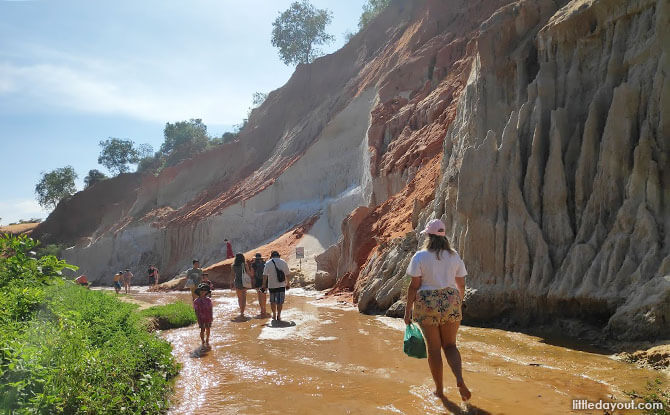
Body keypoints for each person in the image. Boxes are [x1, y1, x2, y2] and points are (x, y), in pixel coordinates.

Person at [404, 218, 471, 402]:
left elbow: (414, 286)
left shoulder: (420, 256)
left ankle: (439, 391)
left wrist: (407, 311)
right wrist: (457, 302)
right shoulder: (454, 256)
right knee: (450, 346)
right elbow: (461, 284)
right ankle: (459, 379)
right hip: (451, 300)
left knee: (434, 349)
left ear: (428, 236)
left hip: (427, 303)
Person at [262, 251, 290, 321]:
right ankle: (279, 315)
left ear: (271, 256)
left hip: (272, 285)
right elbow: (287, 274)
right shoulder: (283, 262)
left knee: (272, 301)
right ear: (279, 255)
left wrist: (263, 285)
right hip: (281, 285)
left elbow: (265, 275)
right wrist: (288, 283)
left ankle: (274, 314)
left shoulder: (268, 263)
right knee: (280, 302)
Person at [231, 253, 252, 318]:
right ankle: (243, 311)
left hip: (237, 282)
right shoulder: (245, 264)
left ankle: (241, 311)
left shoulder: (233, 265)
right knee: (244, 297)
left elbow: (232, 275)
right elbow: (248, 273)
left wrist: (232, 284)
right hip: (244, 282)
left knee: (239, 298)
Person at [193, 283, 213, 347]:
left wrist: (211, 316)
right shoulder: (196, 301)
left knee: (208, 328)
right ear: (199, 291)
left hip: (208, 316)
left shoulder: (208, 300)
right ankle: (202, 341)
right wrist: (197, 318)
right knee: (202, 329)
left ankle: (207, 339)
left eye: (204, 290)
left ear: (207, 292)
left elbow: (210, 309)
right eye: (201, 290)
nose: (203, 292)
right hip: (200, 317)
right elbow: (196, 311)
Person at [251, 253, 269, 318]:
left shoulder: (253, 264)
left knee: (259, 296)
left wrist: (253, 282)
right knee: (263, 296)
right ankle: (265, 309)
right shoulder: (265, 263)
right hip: (264, 282)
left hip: (257, 282)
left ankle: (262, 310)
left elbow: (252, 275)